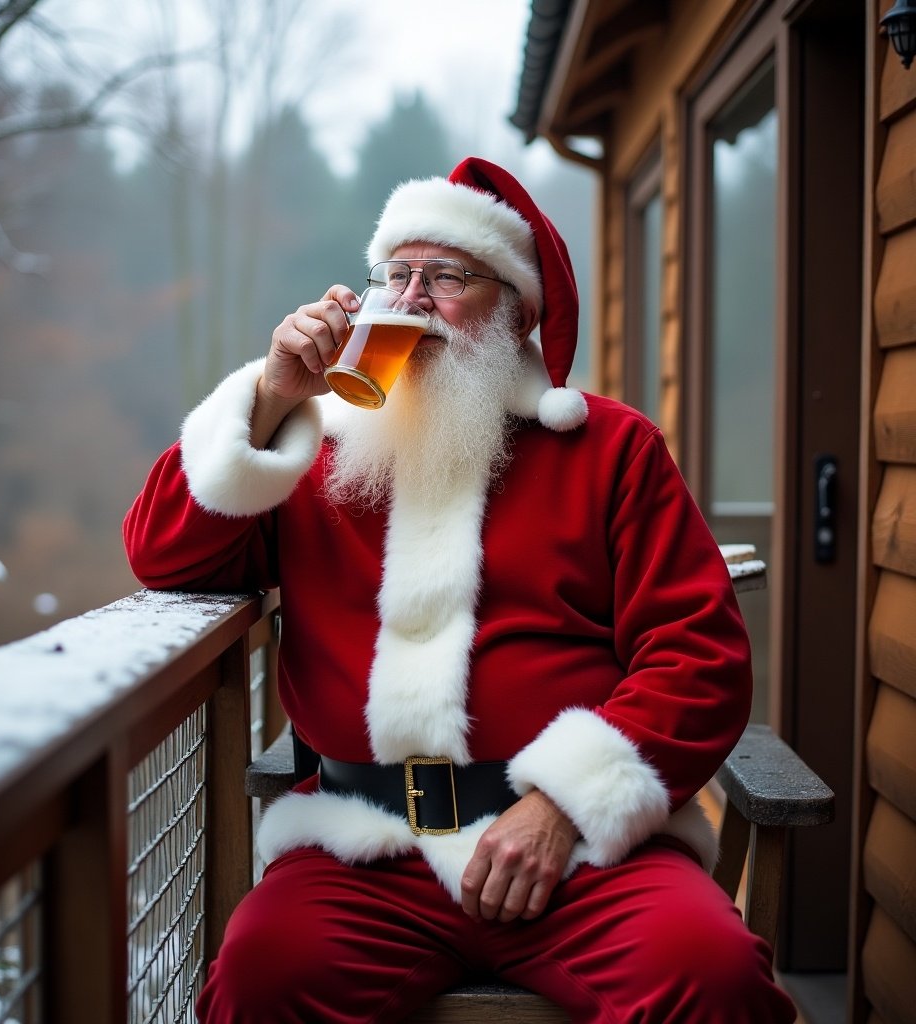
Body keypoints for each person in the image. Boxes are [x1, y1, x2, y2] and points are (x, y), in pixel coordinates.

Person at [124, 156, 797, 1023]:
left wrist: (565, 804)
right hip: (360, 849)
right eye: (396, 274)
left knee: (713, 975)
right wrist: (268, 397)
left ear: (516, 312)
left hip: (578, 849)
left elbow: (698, 656)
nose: (409, 298)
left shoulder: (611, 450)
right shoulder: (316, 446)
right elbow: (162, 556)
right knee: (258, 978)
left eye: (447, 277)